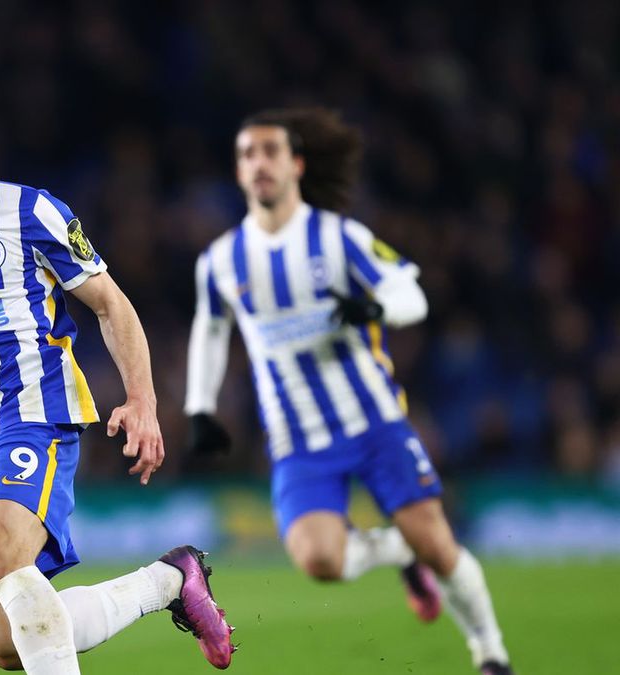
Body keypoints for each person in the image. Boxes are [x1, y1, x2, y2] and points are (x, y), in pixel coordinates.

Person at [0, 81, 235, 673]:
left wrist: (142, 400)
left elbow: (111, 304)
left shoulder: (25, 212)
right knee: (4, 642)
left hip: (30, 414)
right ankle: (170, 580)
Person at [184, 108, 512, 675]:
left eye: (270, 152)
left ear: (297, 165)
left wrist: (374, 306)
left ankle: (491, 654)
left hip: (373, 421)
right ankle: (397, 551)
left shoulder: (337, 238)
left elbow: (412, 295)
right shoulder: (220, 261)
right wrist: (200, 407)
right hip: (298, 436)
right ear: (238, 173)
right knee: (318, 560)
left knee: (439, 543)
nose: (258, 163)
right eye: (247, 154)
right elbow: (210, 332)